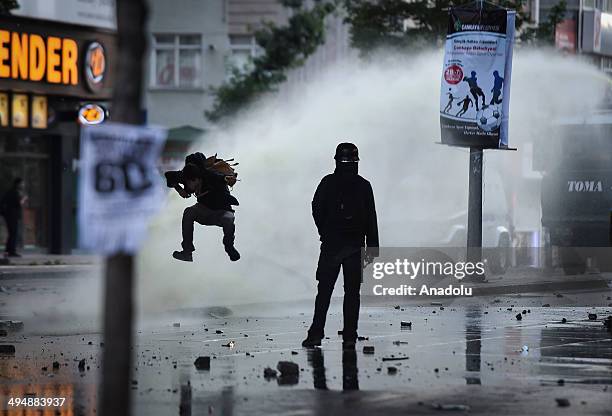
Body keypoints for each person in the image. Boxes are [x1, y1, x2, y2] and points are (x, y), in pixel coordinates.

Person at [302, 143, 379, 350]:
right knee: (352, 293)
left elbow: (316, 208)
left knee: (324, 291)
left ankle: (316, 333)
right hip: (353, 247)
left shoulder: (327, 183)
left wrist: (324, 232)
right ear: (356, 162)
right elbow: (371, 217)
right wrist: (372, 247)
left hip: (332, 246)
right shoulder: (364, 185)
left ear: (336, 160)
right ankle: (350, 336)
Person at [165, 153, 240, 262]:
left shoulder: (210, 176)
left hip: (221, 211)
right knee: (189, 212)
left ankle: (229, 246)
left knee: (228, 219)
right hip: (203, 210)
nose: (189, 184)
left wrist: (226, 179)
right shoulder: (186, 174)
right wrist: (179, 189)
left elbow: (220, 178)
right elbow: (169, 175)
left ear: (199, 178)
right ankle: (187, 252)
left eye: (192, 181)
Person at [0, 178, 24, 257]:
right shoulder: (14, 192)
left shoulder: (10, 192)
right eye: (22, 183)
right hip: (12, 216)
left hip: (9, 215)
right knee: (13, 233)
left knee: (12, 233)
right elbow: (19, 203)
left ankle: (8, 250)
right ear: (18, 184)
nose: (23, 185)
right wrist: (24, 199)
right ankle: (11, 251)